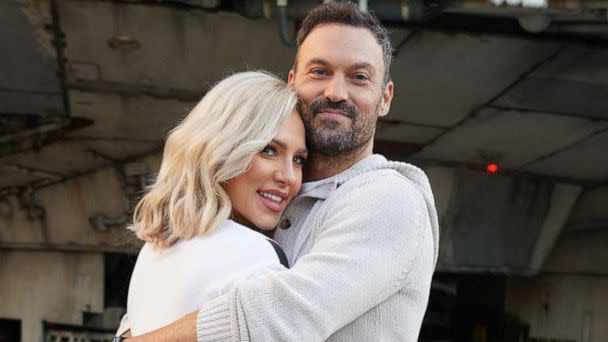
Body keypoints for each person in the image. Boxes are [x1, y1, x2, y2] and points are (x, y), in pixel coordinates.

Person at [121, 2, 439, 341]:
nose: (335, 92)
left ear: (385, 97)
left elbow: (285, 313)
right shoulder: (267, 205)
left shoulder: (389, 198)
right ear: (293, 82)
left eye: (359, 77)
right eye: (319, 72)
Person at [117, 71, 306, 337]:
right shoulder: (256, 257)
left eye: (298, 160)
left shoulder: (155, 248)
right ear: (224, 150)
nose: (288, 176)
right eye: (269, 150)